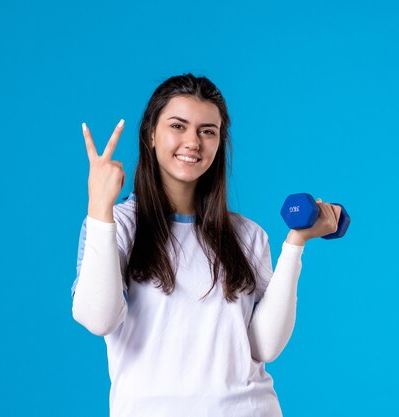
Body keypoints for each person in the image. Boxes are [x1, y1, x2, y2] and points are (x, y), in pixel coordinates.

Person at [70, 73, 341, 417]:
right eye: (178, 126)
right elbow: (98, 319)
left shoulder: (248, 235)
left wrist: (295, 244)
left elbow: (264, 346)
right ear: (151, 134)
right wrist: (99, 206)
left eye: (207, 131)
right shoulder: (116, 225)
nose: (193, 142)